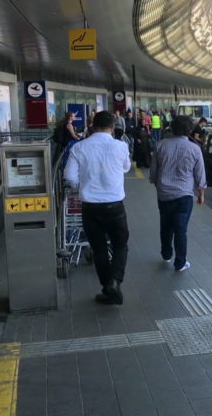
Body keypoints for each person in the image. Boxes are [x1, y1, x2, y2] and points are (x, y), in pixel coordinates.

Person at [64, 111, 131, 305]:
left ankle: (107, 288)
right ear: (112, 127)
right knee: (120, 244)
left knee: (99, 247)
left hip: (90, 207)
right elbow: (126, 167)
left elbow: (69, 177)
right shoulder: (121, 146)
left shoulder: (79, 147)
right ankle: (115, 281)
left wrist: (81, 186)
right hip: (115, 205)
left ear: (92, 126)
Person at [149, 116, 207, 272]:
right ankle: (180, 262)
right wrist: (201, 193)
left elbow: (153, 173)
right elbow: (200, 175)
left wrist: (159, 186)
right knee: (181, 229)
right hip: (184, 195)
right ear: (189, 130)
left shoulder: (159, 145)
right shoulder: (195, 148)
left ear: (172, 128)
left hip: (164, 194)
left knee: (165, 225)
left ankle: (166, 254)